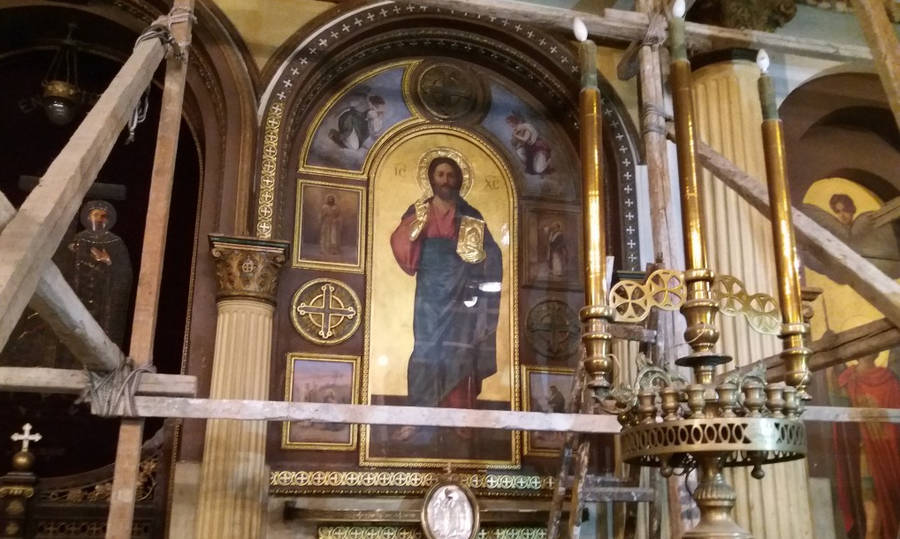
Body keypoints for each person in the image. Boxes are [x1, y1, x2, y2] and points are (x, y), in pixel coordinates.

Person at [389, 157, 502, 438]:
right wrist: (412, 228)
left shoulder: (470, 214)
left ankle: (460, 416)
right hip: (430, 291)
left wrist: (481, 263)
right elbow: (401, 243)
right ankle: (417, 415)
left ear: (458, 180)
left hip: (462, 290)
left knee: (460, 350)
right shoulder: (420, 210)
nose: (445, 180)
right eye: (440, 174)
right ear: (431, 178)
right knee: (425, 349)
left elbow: (491, 252)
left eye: (450, 175)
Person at [68, 200, 133, 348]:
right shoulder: (79, 239)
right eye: (95, 215)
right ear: (88, 217)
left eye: (103, 216)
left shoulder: (115, 242)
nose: (99, 219)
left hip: (103, 295)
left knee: (99, 332)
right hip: (79, 291)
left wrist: (108, 260)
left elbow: (124, 271)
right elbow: (68, 265)